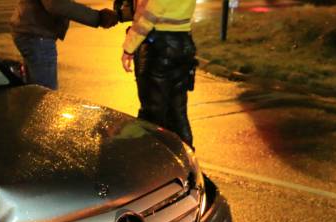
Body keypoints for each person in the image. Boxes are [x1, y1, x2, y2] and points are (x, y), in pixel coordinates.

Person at [120, 0, 198, 148]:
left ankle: (151, 163)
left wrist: (129, 47)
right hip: (183, 42)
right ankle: (188, 163)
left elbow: (150, 13)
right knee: (177, 112)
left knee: (151, 114)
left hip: (159, 48)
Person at [11, 0, 118, 90]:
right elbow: (56, 4)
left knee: (35, 91)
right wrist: (97, 17)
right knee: (45, 98)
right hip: (36, 34)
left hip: (32, 30)